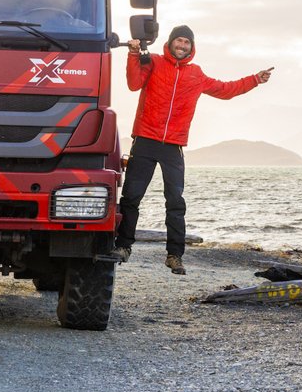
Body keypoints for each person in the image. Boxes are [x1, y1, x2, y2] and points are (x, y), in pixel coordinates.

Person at [111, 25, 272, 274]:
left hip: (173, 145)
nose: (182, 45)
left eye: (187, 42)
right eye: (179, 41)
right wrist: (133, 55)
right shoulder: (152, 61)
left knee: (175, 201)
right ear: (171, 42)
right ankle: (123, 246)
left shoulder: (196, 75)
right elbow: (134, 84)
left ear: (191, 47)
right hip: (145, 139)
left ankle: (175, 255)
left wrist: (254, 80)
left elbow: (226, 90)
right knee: (132, 196)